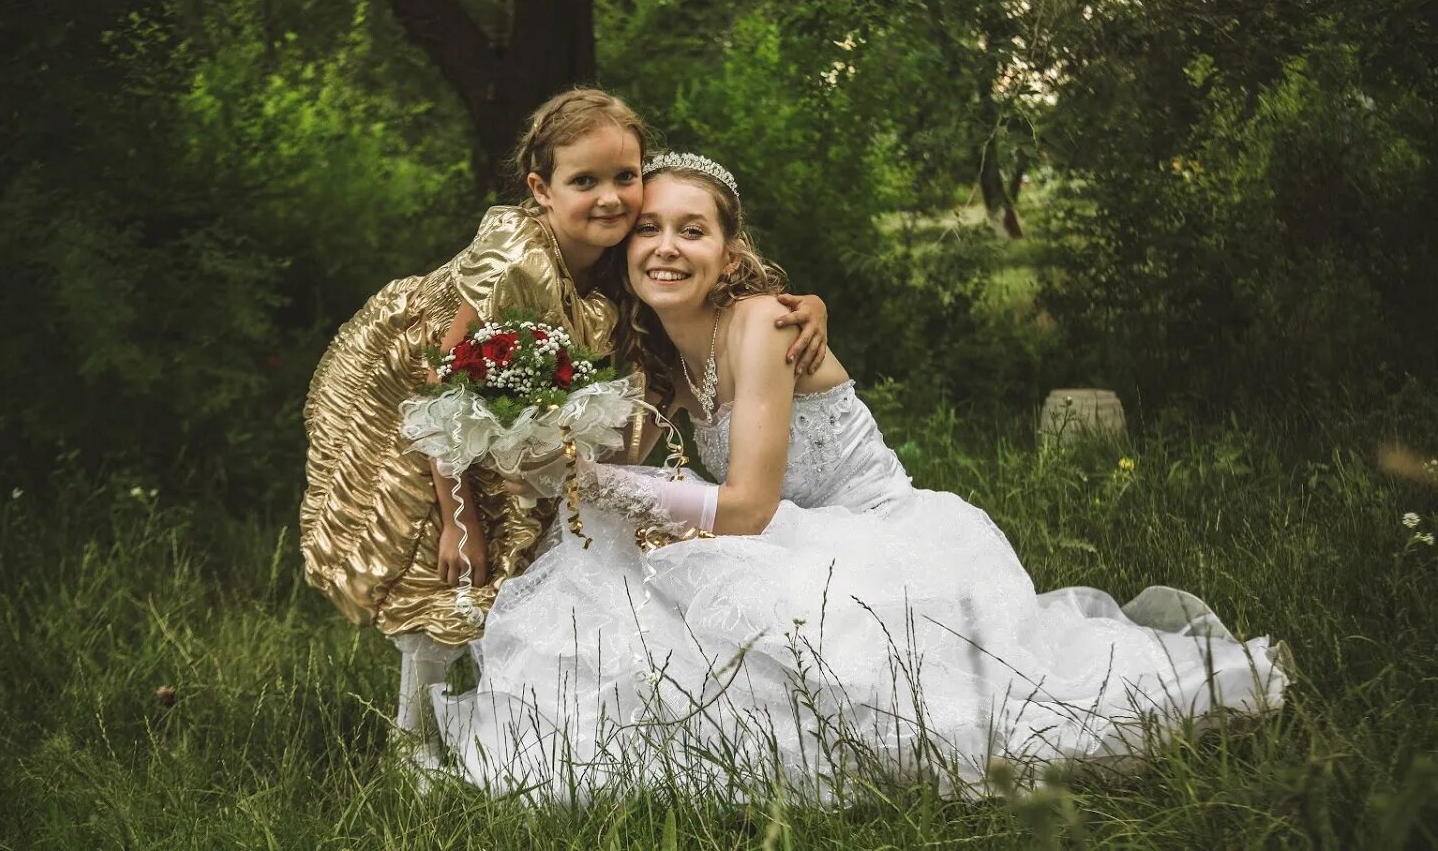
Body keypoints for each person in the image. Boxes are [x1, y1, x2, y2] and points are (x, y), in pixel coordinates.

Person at [430, 152, 1291, 803]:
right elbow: (635, 472)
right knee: (610, 570)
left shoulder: (763, 323)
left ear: (730, 254)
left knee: (948, 712)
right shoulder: (658, 350)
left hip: (877, 541)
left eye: (692, 230)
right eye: (648, 229)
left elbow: (748, 506)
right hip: (785, 543)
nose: (665, 246)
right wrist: (545, 444)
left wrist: (606, 485)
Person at [298, 94, 829, 754]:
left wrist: (810, 306)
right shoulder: (515, 258)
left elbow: (717, 286)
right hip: (414, 386)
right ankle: (414, 735)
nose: (610, 197)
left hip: (500, 397)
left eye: (624, 178)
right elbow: (443, 386)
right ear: (540, 190)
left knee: (526, 534)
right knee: (446, 554)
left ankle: (492, 702)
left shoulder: (616, 247)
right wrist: (459, 516)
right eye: (585, 182)